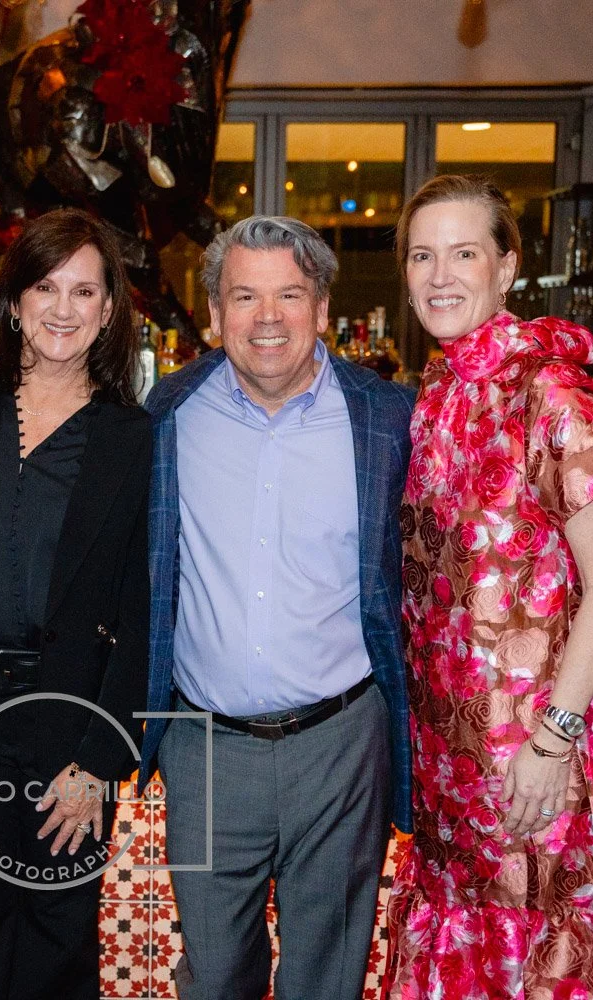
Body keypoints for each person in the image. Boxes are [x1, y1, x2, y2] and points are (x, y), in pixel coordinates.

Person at [382, 175, 593, 999]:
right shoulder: (439, 391)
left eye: (463, 253)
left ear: (506, 268)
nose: (440, 276)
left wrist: (553, 739)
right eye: (422, 255)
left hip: (538, 752)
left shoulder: (555, 394)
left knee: (540, 949)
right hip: (449, 754)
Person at [140, 215, 415, 1000]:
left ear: (324, 308)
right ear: (217, 312)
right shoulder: (168, 413)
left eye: (289, 295)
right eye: (245, 296)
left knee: (327, 972)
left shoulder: (390, 418)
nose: (268, 318)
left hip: (341, 742)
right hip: (205, 747)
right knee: (216, 972)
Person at [0, 208, 150, 1000]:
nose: (62, 308)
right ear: (12, 299)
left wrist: (103, 757)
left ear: (109, 309)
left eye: (84, 291)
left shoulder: (130, 436)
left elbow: (142, 605)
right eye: (45, 286)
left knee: (58, 931)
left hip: (68, 715)